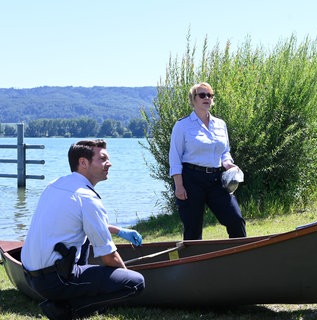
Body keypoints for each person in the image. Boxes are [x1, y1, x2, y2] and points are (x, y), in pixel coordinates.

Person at [21, 139, 145, 319]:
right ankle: (67, 310)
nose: (109, 163)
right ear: (83, 163)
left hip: (30, 276)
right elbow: (109, 257)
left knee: (86, 237)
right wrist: (125, 276)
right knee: (135, 283)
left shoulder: (56, 184)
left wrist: (118, 231)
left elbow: (74, 221)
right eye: (102, 159)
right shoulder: (87, 197)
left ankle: (72, 293)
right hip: (54, 280)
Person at [169, 82, 246, 240]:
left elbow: (225, 151)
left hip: (216, 179)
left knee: (235, 219)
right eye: (202, 95)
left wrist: (228, 163)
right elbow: (175, 157)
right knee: (193, 228)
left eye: (209, 95)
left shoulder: (220, 124)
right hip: (191, 179)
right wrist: (179, 186)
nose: (206, 98)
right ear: (193, 99)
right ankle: (193, 263)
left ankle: (240, 257)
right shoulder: (182, 125)